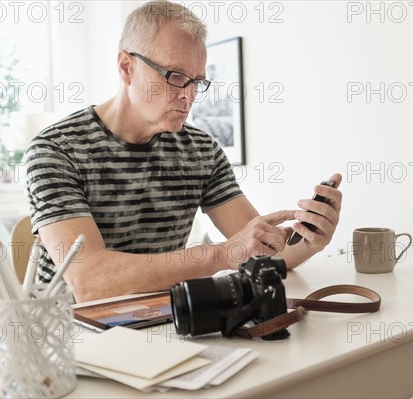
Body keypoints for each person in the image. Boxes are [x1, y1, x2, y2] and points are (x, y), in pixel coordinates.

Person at [23, 0, 342, 303]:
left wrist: (311, 241)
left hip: (166, 323)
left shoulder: (201, 151)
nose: (189, 96)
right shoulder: (55, 150)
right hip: (65, 335)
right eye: (175, 77)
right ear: (126, 67)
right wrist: (221, 254)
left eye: (197, 82)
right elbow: (89, 281)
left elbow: (262, 253)